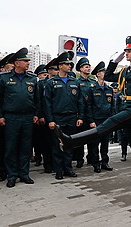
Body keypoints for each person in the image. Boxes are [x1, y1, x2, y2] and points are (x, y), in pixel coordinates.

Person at [55, 36, 131, 191]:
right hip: (128, 107)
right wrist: (114, 62)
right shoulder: (126, 71)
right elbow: (108, 76)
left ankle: (71, 141)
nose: (126, 53)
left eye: (129, 51)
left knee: (109, 124)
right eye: (126, 51)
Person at [0, 48, 40, 187]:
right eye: (25, 61)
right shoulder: (4, 78)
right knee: (11, 147)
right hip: (11, 118)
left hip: (27, 117)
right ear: (16, 63)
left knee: (25, 147)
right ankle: (12, 175)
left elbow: (37, 99)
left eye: (28, 60)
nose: (28, 63)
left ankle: (24, 174)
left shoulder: (32, 78)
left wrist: (36, 114)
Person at [44, 51, 83, 180]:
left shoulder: (74, 81)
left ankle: (68, 168)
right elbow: (47, 103)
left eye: (70, 64)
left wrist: (80, 117)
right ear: (60, 66)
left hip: (71, 117)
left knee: (69, 144)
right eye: (67, 64)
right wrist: (50, 120)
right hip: (57, 118)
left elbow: (80, 101)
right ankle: (58, 170)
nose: (69, 66)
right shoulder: (51, 82)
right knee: (57, 145)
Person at [86, 61, 114, 172]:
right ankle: (96, 163)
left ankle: (105, 162)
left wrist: (112, 119)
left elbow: (112, 106)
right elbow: (88, 106)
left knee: (105, 143)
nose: (105, 73)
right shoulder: (92, 88)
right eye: (103, 72)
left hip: (106, 120)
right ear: (97, 74)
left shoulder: (109, 89)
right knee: (94, 144)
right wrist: (91, 120)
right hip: (96, 120)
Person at [0, 53, 14, 183]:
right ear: (2, 68)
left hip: (8, 118)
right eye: (9, 67)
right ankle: (1, 171)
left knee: (9, 146)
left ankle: (10, 171)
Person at [74, 57, 96, 168]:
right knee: (80, 139)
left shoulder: (93, 82)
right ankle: (79, 159)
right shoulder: (76, 82)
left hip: (91, 114)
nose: (88, 68)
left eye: (89, 66)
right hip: (80, 114)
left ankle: (91, 158)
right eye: (86, 67)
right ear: (80, 69)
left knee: (92, 138)